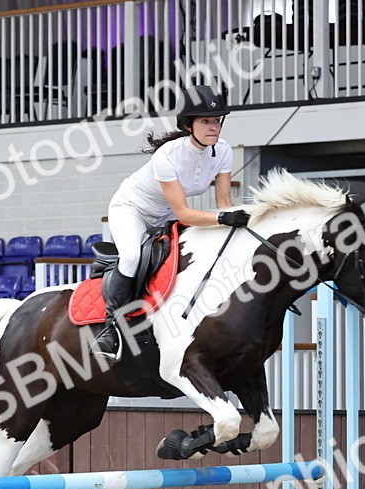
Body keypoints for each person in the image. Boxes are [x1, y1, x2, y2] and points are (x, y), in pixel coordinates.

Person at [90, 84, 252, 362]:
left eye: (216, 121)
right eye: (205, 121)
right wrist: (223, 218)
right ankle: (109, 328)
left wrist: (243, 223)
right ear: (189, 126)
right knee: (131, 256)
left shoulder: (223, 151)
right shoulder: (167, 155)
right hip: (132, 210)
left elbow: (225, 203)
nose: (213, 127)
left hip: (164, 214)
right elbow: (186, 213)